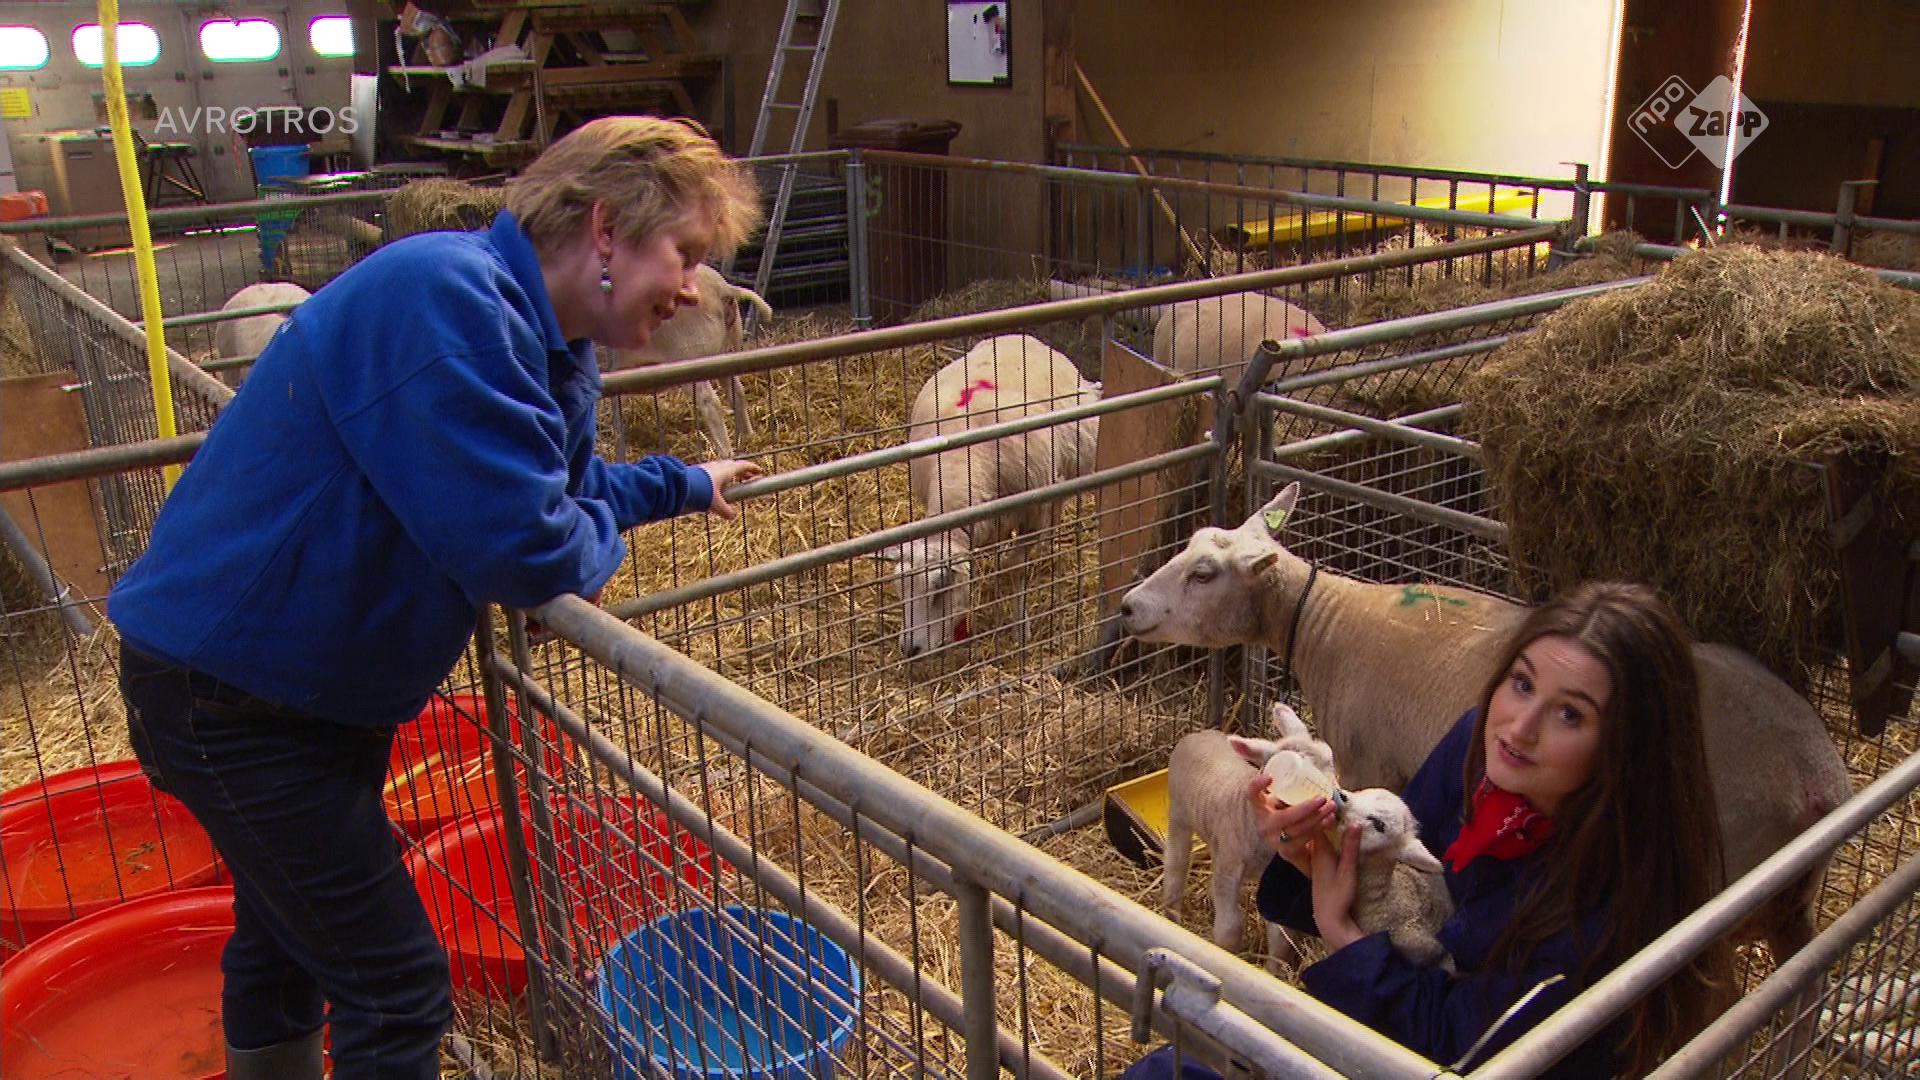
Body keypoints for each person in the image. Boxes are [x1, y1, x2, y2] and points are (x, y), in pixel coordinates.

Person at [110, 116, 764, 1080]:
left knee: (285, 938)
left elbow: (548, 496)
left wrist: (681, 484)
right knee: (397, 988)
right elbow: (528, 550)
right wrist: (584, 546)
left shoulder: (543, 342)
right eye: (688, 253)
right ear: (606, 228)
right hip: (233, 694)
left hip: (299, 689)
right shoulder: (448, 302)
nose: (694, 289)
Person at [1127, 582, 1736, 1079]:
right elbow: (1389, 876)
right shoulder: (1477, 754)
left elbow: (1463, 1052)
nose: (1519, 727)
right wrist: (1306, 851)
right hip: (1383, 1027)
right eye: (1522, 683)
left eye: (1570, 714)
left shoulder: (1602, 908)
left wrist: (1344, 934)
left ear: (1625, 749)